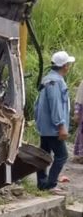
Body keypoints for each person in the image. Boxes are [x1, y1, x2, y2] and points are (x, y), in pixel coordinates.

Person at [35, 50, 75, 195]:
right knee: (62, 155)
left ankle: (41, 182)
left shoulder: (47, 79)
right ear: (64, 66)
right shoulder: (56, 82)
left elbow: (38, 104)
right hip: (53, 127)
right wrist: (61, 126)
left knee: (43, 154)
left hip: (44, 126)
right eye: (68, 64)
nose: (69, 67)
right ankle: (50, 184)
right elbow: (56, 105)